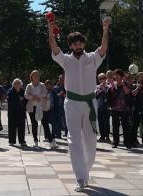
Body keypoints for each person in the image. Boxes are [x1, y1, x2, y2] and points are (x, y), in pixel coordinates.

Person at [49, 16, 109, 192]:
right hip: (72, 103)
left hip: (90, 103)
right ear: (71, 46)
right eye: (74, 44)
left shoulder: (92, 58)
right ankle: (81, 178)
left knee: (90, 142)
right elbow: (54, 48)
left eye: (80, 43)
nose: (78, 46)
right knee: (74, 141)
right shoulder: (66, 60)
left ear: (83, 44)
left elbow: (103, 48)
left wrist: (105, 29)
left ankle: (85, 172)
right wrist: (50, 31)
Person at [107, 69, 132, 149]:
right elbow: (109, 94)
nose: (116, 77)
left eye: (118, 76)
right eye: (115, 76)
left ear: (121, 77)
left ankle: (127, 143)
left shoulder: (126, 84)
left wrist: (123, 84)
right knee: (115, 126)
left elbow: (127, 92)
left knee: (125, 126)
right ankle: (115, 142)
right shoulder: (113, 85)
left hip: (125, 108)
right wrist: (112, 86)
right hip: (115, 108)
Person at [24, 70, 48, 147]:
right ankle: (35, 140)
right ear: (31, 77)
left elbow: (45, 93)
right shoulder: (29, 85)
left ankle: (50, 139)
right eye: (34, 75)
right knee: (34, 124)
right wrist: (33, 97)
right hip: (32, 107)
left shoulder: (42, 85)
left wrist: (38, 96)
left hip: (40, 106)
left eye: (37, 75)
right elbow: (26, 95)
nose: (36, 77)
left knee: (44, 122)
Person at [7, 78, 27, 146]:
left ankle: (22, 141)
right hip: (12, 112)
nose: (17, 84)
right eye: (15, 83)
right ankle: (12, 141)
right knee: (12, 127)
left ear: (21, 84)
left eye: (18, 83)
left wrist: (23, 100)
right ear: (13, 84)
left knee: (21, 127)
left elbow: (26, 101)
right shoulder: (10, 91)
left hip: (21, 112)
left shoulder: (23, 91)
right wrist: (19, 100)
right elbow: (9, 100)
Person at [43, 80, 58, 148]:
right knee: (45, 124)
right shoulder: (43, 92)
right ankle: (48, 137)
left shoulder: (53, 92)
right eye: (47, 84)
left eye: (50, 84)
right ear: (45, 85)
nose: (48, 86)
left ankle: (52, 137)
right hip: (44, 110)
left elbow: (56, 99)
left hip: (52, 110)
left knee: (54, 123)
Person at [95, 73, 110, 143]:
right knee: (100, 122)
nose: (102, 80)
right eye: (100, 79)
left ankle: (107, 136)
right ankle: (102, 136)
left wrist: (104, 89)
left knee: (106, 122)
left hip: (107, 107)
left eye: (103, 78)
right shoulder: (97, 87)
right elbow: (96, 96)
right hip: (99, 107)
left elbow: (109, 95)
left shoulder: (108, 86)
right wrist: (100, 89)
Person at [53, 74, 67, 138]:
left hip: (65, 106)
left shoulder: (67, 87)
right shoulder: (56, 87)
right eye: (60, 79)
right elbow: (54, 96)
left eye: (62, 79)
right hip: (58, 105)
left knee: (66, 120)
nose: (61, 80)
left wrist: (65, 95)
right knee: (58, 120)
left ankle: (67, 133)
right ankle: (58, 134)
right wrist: (59, 94)